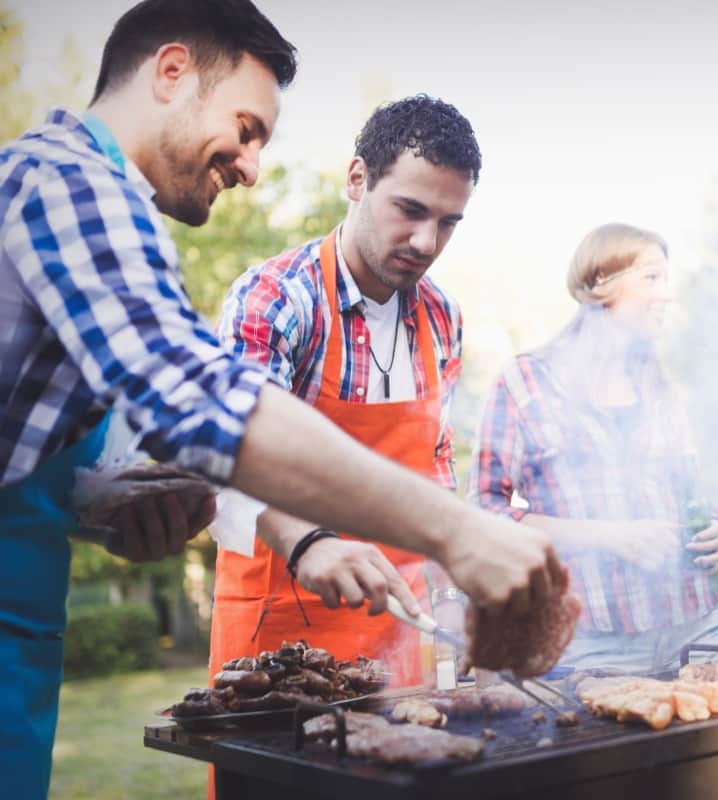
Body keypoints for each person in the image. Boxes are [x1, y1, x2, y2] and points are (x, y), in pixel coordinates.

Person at [0, 2, 558, 796]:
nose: (252, 167)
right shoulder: (72, 185)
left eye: (448, 222)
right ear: (170, 73)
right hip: (274, 621)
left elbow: (25, 441)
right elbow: (198, 400)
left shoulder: (440, 317)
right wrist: (460, 532)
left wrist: (94, 505)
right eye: (246, 128)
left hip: (25, 638)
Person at [209, 96, 478, 687]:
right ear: (357, 179)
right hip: (276, 641)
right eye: (410, 210)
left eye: (448, 222)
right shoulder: (276, 299)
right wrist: (309, 542)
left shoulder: (443, 317)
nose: (426, 242)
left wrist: (451, 594)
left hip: (399, 633)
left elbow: (435, 469)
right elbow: (227, 456)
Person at [470, 223, 718, 673]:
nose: (667, 294)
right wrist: (609, 535)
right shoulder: (527, 382)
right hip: (592, 641)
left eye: (666, 279)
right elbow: (486, 511)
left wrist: (714, 528)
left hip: (694, 627)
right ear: (601, 281)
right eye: (652, 277)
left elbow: (693, 493)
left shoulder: (662, 383)